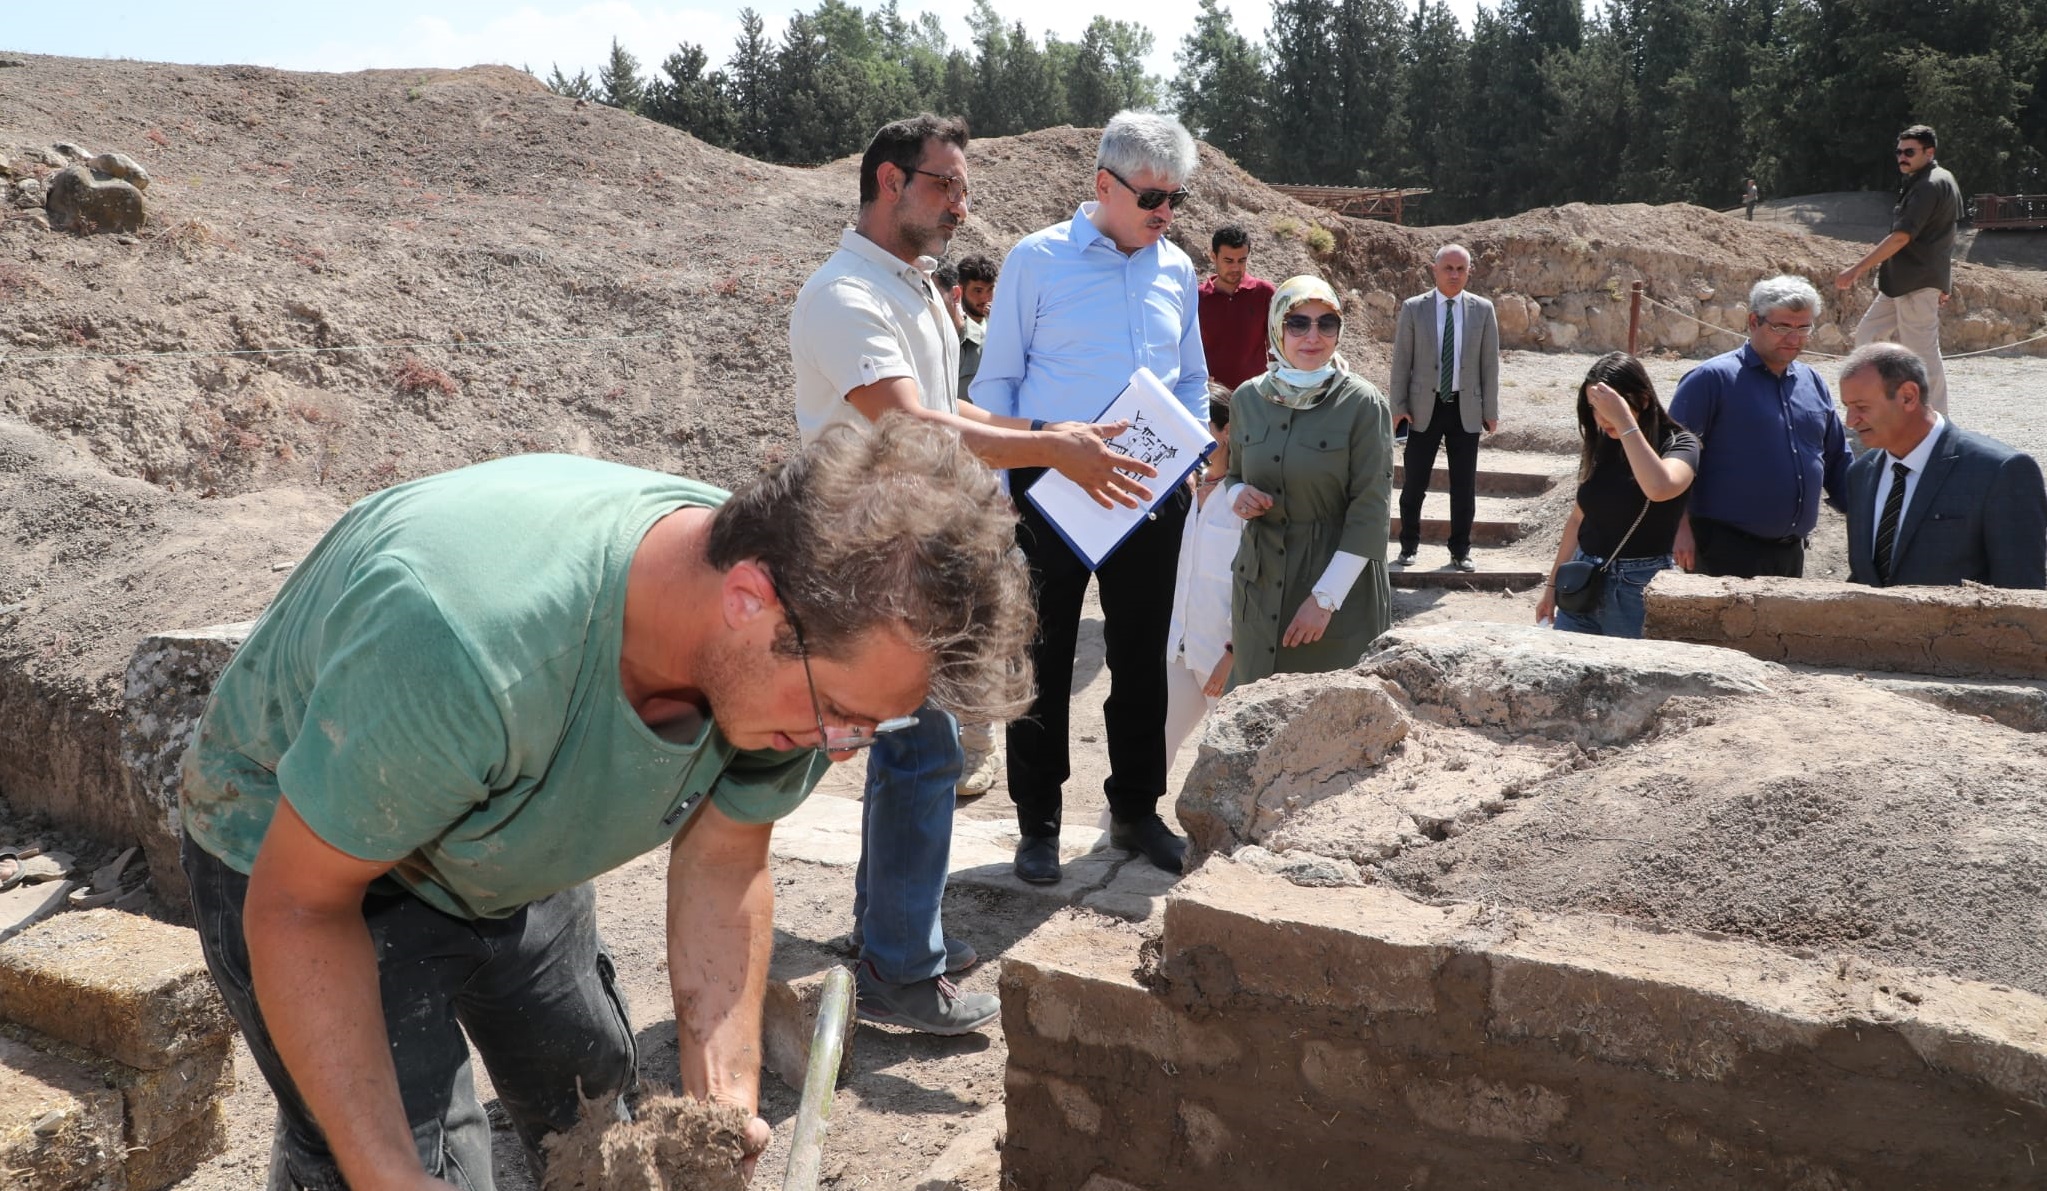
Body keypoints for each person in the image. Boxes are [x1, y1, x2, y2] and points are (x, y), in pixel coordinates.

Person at [178, 421, 1036, 1190]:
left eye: (864, 725)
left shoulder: (795, 643)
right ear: (749, 600)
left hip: (509, 829)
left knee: (596, 1099)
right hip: (311, 859)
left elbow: (727, 859)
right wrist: (384, 1171)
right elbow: (299, 904)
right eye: (838, 713)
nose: (839, 745)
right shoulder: (467, 643)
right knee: (394, 1162)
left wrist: (721, 1107)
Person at [789, 114, 1151, 1034]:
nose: (961, 203)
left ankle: (885, 946)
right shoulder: (843, 297)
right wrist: (1050, 449)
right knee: (922, 752)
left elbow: (941, 403)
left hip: (922, 549)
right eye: (943, 184)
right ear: (886, 181)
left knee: (916, 754)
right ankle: (902, 971)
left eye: (961, 185)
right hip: (878, 561)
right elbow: (911, 425)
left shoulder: (909, 289)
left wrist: (1040, 447)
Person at [973, 110, 1210, 884]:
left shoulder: (1174, 268)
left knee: (1141, 659)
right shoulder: (1035, 261)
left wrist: (1192, 450)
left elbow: (1190, 377)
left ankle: (1136, 810)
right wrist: (1009, 482)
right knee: (1038, 656)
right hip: (1048, 487)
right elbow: (994, 383)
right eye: (1150, 197)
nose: (1164, 212)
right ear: (1103, 185)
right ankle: (1036, 821)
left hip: (1149, 492)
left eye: (1174, 197)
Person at [1226, 275, 1394, 684]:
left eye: (1326, 323)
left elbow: (1370, 510)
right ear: (1276, 327)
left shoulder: (1363, 403)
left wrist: (1325, 598)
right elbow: (1232, 474)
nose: (1312, 336)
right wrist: (1238, 495)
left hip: (1335, 596)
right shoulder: (1247, 398)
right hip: (1259, 589)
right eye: (1297, 322)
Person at [1670, 275, 1850, 579]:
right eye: (1782, 327)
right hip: (1721, 552)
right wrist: (1678, 528)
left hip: (1790, 555)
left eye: (1803, 327)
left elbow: (1836, 459)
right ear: (1754, 321)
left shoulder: (1813, 382)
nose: (1794, 338)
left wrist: (1869, 515)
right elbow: (1672, 458)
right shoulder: (1711, 379)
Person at [1839, 343, 2046, 589]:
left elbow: (2022, 592)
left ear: (1908, 396)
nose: (1850, 421)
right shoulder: (1861, 475)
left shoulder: (1999, 472)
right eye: (1847, 407)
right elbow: (1865, 578)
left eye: (1862, 407)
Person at [1535, 353, 1700, 637]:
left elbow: (1660, 488)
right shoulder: (1602, 443)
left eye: (1609, 408)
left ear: (1644, 400)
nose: (1602, 418)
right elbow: (1578, 520)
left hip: (1639, 586)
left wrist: (1624, 421)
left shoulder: (1681, 443)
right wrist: (1551, 588)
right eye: (1594, 408)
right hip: (1583, 581)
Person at [1836, 124, 1961, 415]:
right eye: (1898, 152)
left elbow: (1902, 237)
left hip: (1917, 284)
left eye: (1909, 151)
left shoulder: (1931, 184)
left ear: (1929, 152)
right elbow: (1944, 237)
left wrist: (1856, 269)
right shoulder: (1930, 179)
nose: (1901, 157)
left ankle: (1937, 422)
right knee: (1867, 336)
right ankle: (1876, 403)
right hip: (1901, 283)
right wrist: (1945, 281)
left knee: (1924, 356)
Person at [1390, 244, 1500, 573]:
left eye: (1460, 269)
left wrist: (1490, 409)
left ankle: (1460, 550)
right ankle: (1408, 545)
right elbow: (1401, 362)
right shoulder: (1414, 308)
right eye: (1448, 268)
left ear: (1468, 272)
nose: (1454, 274)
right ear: (1434, 270)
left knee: (1463, 485)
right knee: (1414, 483)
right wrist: (1398, 406)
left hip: (1465, 407)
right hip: (1424, 406)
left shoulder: (1482, 309)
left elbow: (1489, 364)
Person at [1162, 382, 1244, 770]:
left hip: (1223, 655)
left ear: (1226, 431)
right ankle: (1115, 831)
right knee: (1146, 754)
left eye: (1201, 425)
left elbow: (1253, 584)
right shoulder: (1183, 490)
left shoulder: (1244, 499)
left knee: (1236, 761)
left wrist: (1231, 655)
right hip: (1177, 649)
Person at [1198, 223, 1277, 390]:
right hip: (1212, 399)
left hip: (1255, 396)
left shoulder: (1265, 293)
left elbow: (1276, 347)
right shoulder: (1197, 298)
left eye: (1242, 260)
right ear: (1213, 256)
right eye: (1228, 260)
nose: (1235, 267)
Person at [955, 253, 998, 393]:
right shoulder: (954, 328)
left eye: (990, 289)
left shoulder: (997, 324)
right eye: (978, 290)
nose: (986, 297)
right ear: (960, 289)